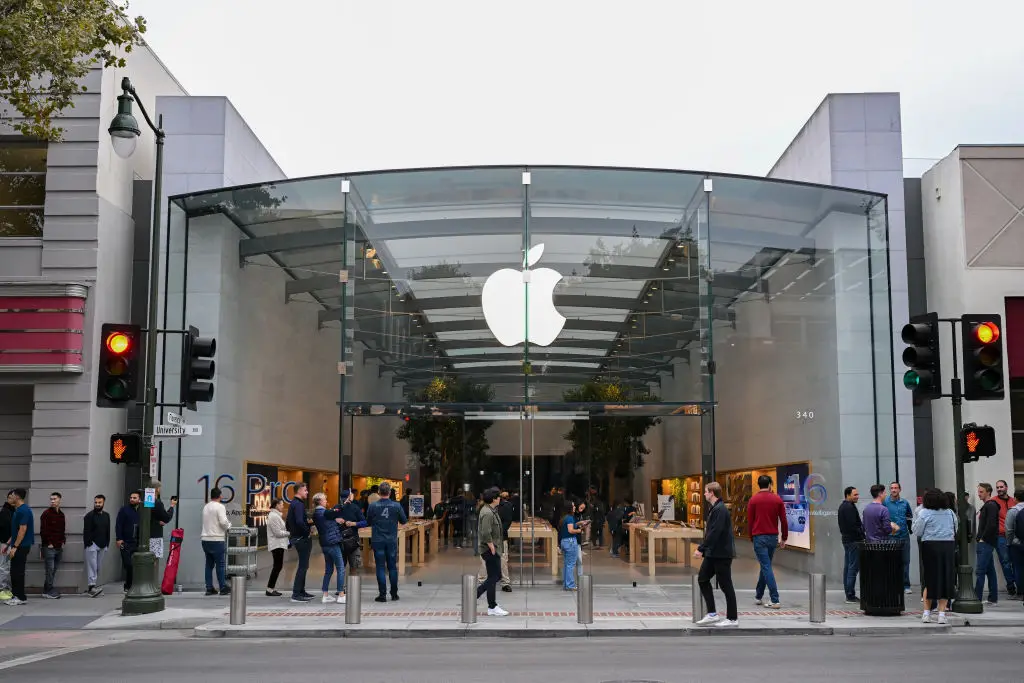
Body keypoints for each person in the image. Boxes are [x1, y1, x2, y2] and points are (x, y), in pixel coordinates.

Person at [695, 482, 738, 627]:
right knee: (702, 579)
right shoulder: (715, 508)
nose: (705, 494)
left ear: (712, 493)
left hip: (722, 554)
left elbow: (715, 532)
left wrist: (701, 548)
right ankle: (712, 613)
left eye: (706, 492)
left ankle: (732, 618)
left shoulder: (720, 510)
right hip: (713, 554)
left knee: (726, 585)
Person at [913, 488, 956, 624]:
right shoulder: (949, 512)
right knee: (945, 578)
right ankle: (942, 614)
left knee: (930, 579)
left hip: (930, 546)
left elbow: (917, 531)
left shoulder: (924, 512)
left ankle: (926, 613)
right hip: (948, 545)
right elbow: (956, 527)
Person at [746, 475, 787, 609]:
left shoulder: (753, 500)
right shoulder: (777, 499)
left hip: (759, 537)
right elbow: (784, 520)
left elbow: (750, 521)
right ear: (769, 484)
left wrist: (751, 537)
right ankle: (759, 596)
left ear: (758, 485)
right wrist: (784, 537)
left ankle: (775, 599)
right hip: (772, 537)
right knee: (766, 565)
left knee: (766, 566)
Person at [366, 481, 407, 602]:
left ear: (379, 492)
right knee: (392, 567)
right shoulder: (397, 506)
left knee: (380, 567)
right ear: (389, 492)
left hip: (378, 539)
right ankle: (394, 594)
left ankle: (382, 594)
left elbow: (368, 521)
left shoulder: (373, 506)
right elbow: (404, 521)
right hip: (391, 540)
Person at [312, 492, 352, 605]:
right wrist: (345, 503)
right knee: (340, 568)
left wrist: (335, 520)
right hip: (332, 543)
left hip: (325, 544)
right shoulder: (322, 512)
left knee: (329, 570)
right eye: (324, 499)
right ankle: (341, 594)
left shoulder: (319, 513)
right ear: (319, 501)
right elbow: (335, 511)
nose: (326, 501)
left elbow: (328, 519)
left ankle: (325, 594)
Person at [475, 488, 509, 616]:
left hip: (493, 548)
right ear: (494, 499)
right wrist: (492, 546)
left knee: (494, 576)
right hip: (489, 549)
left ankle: (492, 605)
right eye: (498, 497)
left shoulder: (490, 510)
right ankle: (476, 595)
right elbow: (485, 532)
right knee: (495, 576)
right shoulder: (488, 513)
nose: (500, 498)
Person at [200, 487, 231, 596]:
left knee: (209, 565)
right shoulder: (220, 507)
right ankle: (222, 587)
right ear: (220, 496)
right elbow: (223, 522)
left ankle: (209, 588)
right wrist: (229, 525)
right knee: (220, 564)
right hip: (216, 539)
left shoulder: (206, 507)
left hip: (205, 539)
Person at [884, 481, 914, 594]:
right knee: (892, 561)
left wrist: (910, 529)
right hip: (891, 537)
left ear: (900, 490)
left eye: (896, 488)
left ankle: (906, 585)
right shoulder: (885, 502)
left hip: (904, 536)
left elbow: (909, 517)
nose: (893, 490)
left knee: (905, 561)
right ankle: (893, 584)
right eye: (891, 488)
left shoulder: (905, 503)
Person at [5, 488, 32, 606]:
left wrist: (15, 547)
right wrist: (8, 544)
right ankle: (16, 595)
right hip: (17, 545)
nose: (11, 496)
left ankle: (20, 597)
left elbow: (23, 529)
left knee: (18, 572)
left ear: (17, 497)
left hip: (21, 546)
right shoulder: (19, 510)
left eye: (12, 495)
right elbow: (16, 530)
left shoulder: (23, 510)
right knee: (14, 571)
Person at [334, 489, 367, 585]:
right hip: (352, 541)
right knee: (353, 567)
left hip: (339, 541)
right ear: (349, 497)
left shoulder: (336, 507)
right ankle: (352, 588)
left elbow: (329, 521)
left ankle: (341, 588)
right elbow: (365, 522)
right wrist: (354, 524)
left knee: (341, 567)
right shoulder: (355, 508)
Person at [286, 483, 313, 603]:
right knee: (303, 566)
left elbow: (289, 522)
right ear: (300, 491)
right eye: (306, 490)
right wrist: (307, 531)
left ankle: (301, 591)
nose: (307, 492)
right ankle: (296, 593)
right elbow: (299, 521)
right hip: (301, 538)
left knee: (304, 565)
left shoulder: (293, 504)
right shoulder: (298, 504)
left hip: (297, 537)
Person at [837, 486, 864, 603]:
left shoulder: (844, 506)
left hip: (847, 540)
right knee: (853, 567)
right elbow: (854, 526)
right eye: (855, 495)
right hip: (853, 541)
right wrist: (862, 535)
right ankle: (850, 594)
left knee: (848, 567)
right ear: (848, 495)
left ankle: (848, 592)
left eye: (857, 494)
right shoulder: (849, 507)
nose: (857, 497)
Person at [976, 482, 1001, 605]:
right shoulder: (990, 505)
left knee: (980, 570)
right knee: (990, 570)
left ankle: (977, 598)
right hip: (987, 542)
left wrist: (982, 538)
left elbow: (991, 524)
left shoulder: (990, 505)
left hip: (985, 542)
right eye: (979, 491)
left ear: (988, 492)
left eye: (981, 492)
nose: (979, 494)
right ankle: (993, 598)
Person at [993, 480, 1019, 597]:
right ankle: (1011, 586)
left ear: (1006, 487)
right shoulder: (993, 501)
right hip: (1001, 536)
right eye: (997, 487)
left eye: (1001, 487)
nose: (999, 489)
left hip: (1015, 536)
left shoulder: (1014, 501)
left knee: (1016, 562)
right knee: (1005, 562)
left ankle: (1019, 585)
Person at [39, 491, 66, 599]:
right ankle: (49, 590)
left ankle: (46, 589)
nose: (52, 501)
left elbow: (62, 530)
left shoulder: (61, 514)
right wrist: (49, 543)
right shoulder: (46, 513)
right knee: (49, 569)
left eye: (54, 499)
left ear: (59, 500)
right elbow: (43, 530)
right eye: (51, 499)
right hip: (49, 547)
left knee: (53, 570)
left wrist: (63, 541)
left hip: (59, 546)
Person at [83, 494, 110, 597]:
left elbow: (108, 530)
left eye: (99, 502)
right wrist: (88, 543)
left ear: (103, 503)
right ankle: (91, 587)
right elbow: (86, 531)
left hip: (103, 545)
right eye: (96, 502)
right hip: (92, 545)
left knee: (98, 567)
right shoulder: (89, 516)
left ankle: (94, 586)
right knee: (92, 566)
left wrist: (107, 543)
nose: (97, 504)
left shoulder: (106, 515)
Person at [115, 490, 141, 592]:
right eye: (131, 497)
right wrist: (119, 538)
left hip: (137, 542)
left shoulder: (142, 510)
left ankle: (132, 585)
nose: (132, 499)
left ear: (139, 499)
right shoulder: (124, 510)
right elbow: (118, 524)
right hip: (125, 542)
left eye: (134, 498)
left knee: (136, 565)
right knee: (128, 564)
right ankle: (128, 585)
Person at [265, 498, 289, 597]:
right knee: (277, 567)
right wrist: (289, 533)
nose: (283, 506)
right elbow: (277, 533)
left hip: (278, 544)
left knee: (278, 566)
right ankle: (269, 589)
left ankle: (270, 588)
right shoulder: (274, 516)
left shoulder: (275, 515)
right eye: (281, 504)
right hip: (276, 544)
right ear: (276, 505)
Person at [558, 501, 584, 590]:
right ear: (569, 508)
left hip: (564, 541)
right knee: (570, 565)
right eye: (573, 506)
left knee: (566, 564)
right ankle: (570, 585)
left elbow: (569, 527)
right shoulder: (570, 518)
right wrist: (579, 531)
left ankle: (566, 584)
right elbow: (570, 530)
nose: (574, 507)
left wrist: (578, 524)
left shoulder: (564, 518)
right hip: (570, 541)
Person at [148, 480, 177, 561]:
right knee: (154, 559)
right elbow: (166, 517)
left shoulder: (146, 501)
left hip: (146, 536)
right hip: (155, 535)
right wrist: (172, 506)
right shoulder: (157, 502)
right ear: (157, 489)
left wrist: (157, 521)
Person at [1005, 488, 1024, 606]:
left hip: (1017, 544)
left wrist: (1010, 542)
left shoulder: (1013, 511)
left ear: (1015, 499)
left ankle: (1021, 592)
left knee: (1018, 568)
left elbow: (1009, 530)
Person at [0, 491, 16, 601]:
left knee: (7, 567)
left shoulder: (11, 511)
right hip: (5, 543)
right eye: (11, 498)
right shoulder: (5, 511)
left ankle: (6, 589)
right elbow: (3, 529)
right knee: (4, 567)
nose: (13, 500)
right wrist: (5, 543)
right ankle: (2, 589)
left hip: (8, 543)